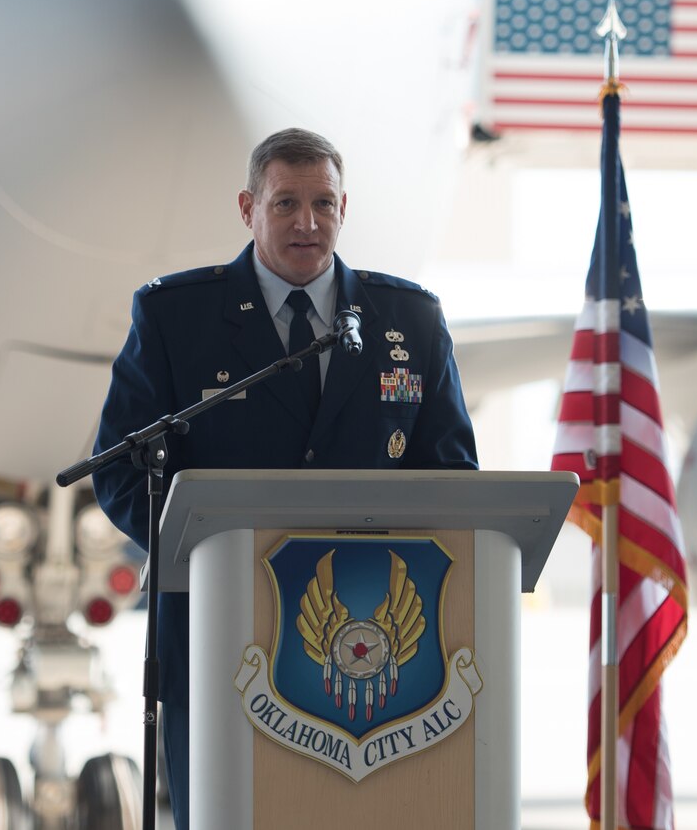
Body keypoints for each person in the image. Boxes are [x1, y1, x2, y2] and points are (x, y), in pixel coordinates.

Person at [92, 127, 478, 829]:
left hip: (375, 646)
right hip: (218, 633)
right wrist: (197, 554)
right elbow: (121, 469)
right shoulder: (176, 317)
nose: (308, 223)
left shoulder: (408, 318)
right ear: (248, 206)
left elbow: (452, 474)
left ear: (343, 207)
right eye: (286, 204)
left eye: (324, 204)